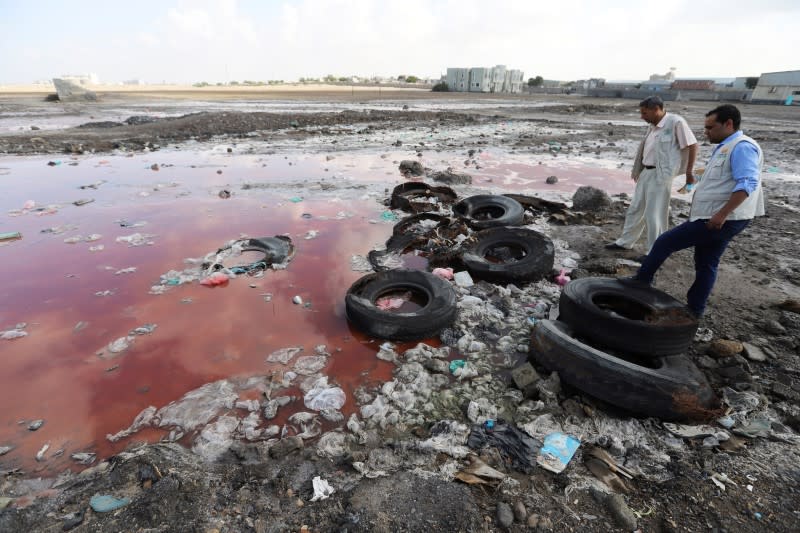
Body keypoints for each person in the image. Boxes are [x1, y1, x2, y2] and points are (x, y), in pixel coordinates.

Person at [623, 104, 765, 318]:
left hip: (721, 218)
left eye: (710, 127)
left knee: (664, 242)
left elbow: (747, 183)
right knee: (707, 262)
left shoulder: (742, 147)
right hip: (721, 217)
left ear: (728, 124)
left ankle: (642, 281)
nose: (706, 132)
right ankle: (695, 309)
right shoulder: (727, 146)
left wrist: (722, 214)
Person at [606, 96, 698, 255]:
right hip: (646, 172)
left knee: (654, 213)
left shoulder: (676, 122)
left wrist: (689, 172)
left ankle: (654, 250)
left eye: (644, 113)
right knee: (636, 208)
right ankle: (625, 242)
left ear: (656, 109)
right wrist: (638, 170)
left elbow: (692, 145)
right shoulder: (653, 125)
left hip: (662, 174)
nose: (642, 117)